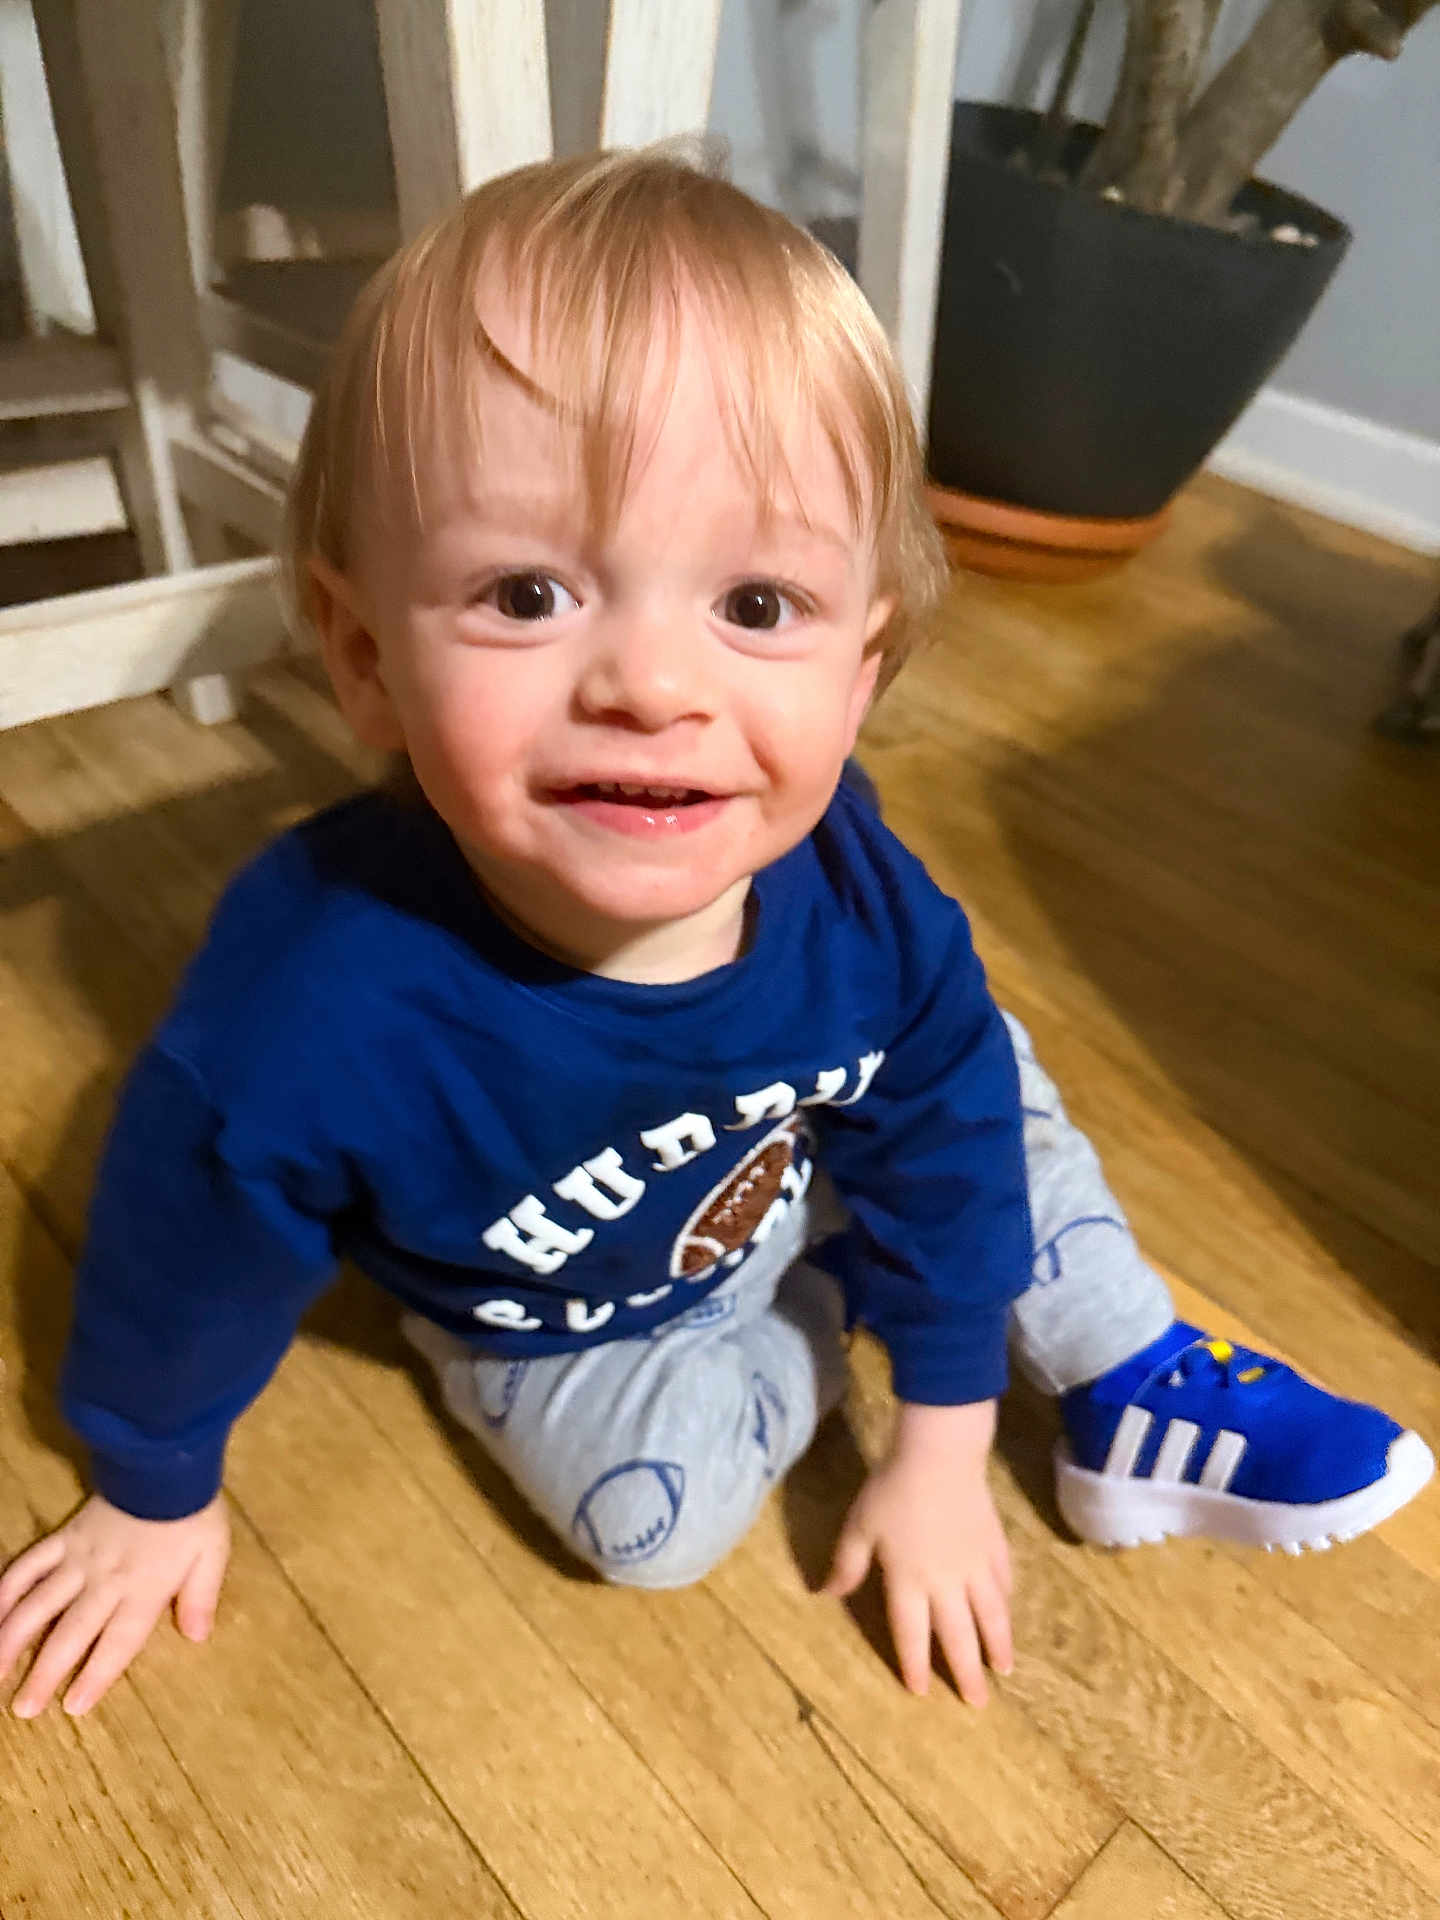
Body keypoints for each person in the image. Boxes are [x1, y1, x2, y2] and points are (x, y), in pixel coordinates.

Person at [0, 149, 1430, 1724]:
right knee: (653, 1535)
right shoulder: (314, 1001)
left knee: (981, 1094)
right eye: (530, 592)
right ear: (360, 656)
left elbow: (947, 1137)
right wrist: (150, 1488)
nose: (653, 687)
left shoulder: (857, 904)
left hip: (820, 1122)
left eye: (757, 608)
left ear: (863, 669)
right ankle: (834, 1296)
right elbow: (179, 1257)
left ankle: (1128, 1377)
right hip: (554, 1305)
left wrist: (946, 1443)